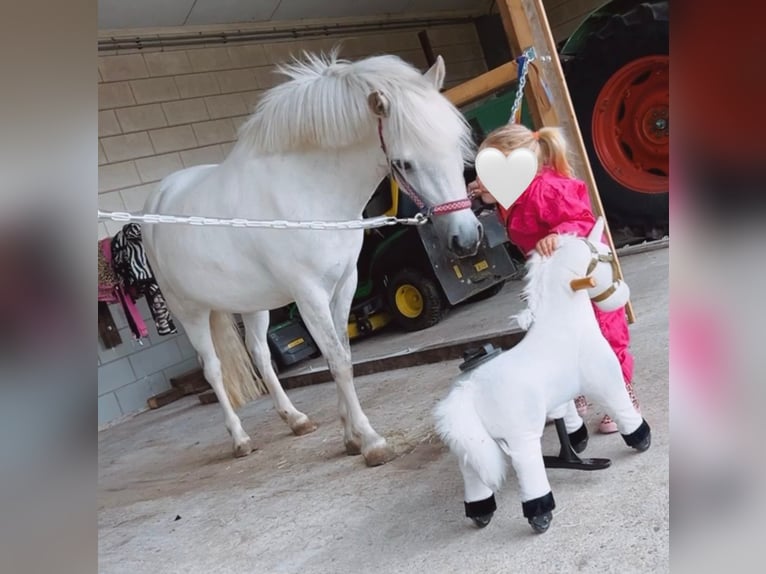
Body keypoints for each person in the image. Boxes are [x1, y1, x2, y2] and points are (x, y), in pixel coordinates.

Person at [468, 123, 639, 434]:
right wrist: (484, 196)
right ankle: (578, 388)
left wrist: (558, 235)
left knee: (603, 330)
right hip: (552, 274)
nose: (481, 180)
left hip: (582, 271)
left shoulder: (549, 189)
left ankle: (623, 392)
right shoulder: (513, 194)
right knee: (561, 333)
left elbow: (582, 219)